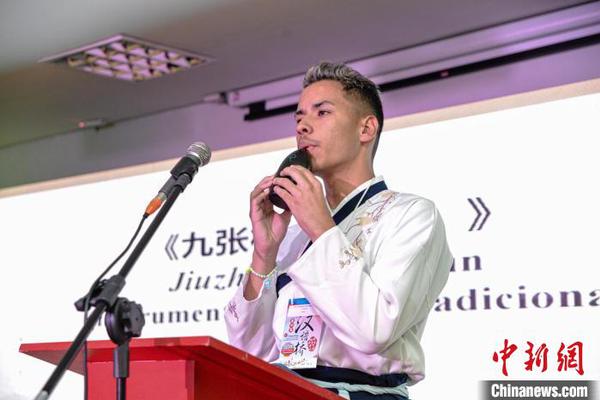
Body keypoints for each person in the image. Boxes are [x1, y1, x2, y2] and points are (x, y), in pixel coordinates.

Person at [225, 61, 452, 399]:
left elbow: (373, 330)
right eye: (299, 116)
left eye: (322, 113)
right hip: (286, 389)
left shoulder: (412, 214)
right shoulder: (294, 234)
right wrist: (264, 255)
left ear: (366, 129)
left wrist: (320, 226)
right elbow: (251, 350)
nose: (303, 125)